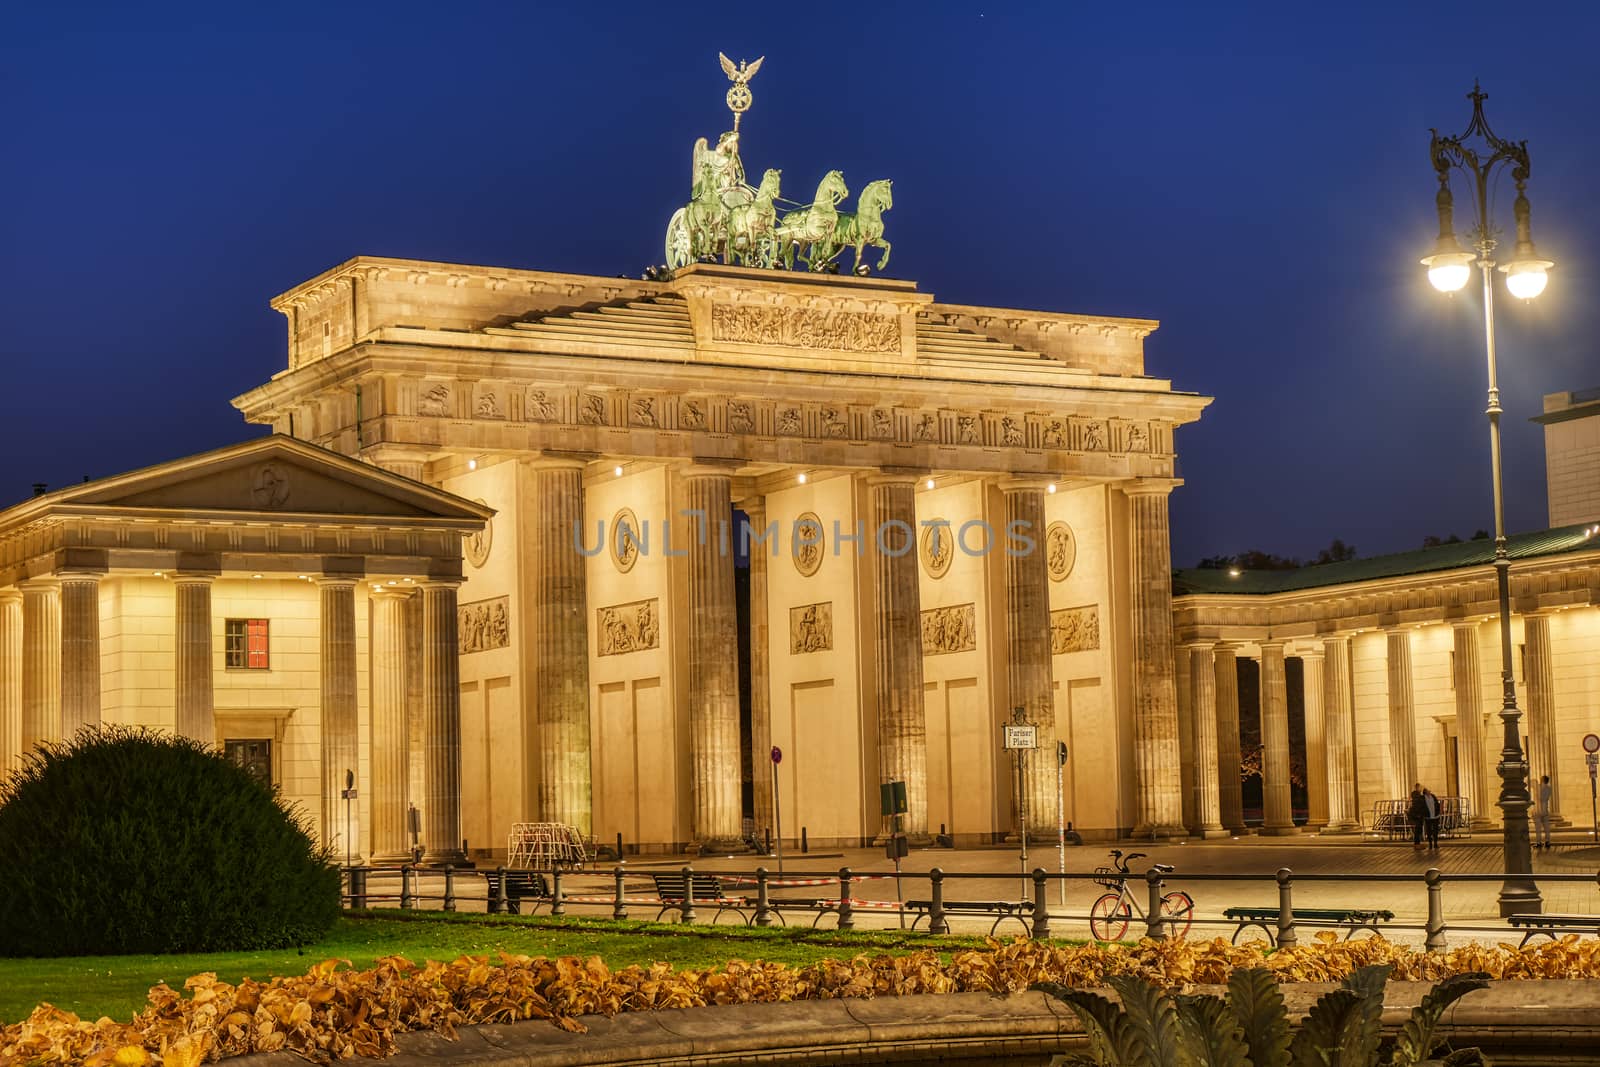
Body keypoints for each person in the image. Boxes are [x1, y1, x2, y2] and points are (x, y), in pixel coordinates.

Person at [1535, 774, 1554, 849]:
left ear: (1542, 780)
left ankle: (1539, 842)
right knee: (1546, 828)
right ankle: (1547, 841)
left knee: (1539, 828)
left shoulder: (1541, 788)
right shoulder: (1549, 788)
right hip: (1545, 810)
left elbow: (1541, 798)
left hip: (1539, 810)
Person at [1407, 785, 1427, 851]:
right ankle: (1417, 844)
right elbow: (1418, 805)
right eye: (1420, 788)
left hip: (1418, 815)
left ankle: (1417, 844)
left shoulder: (1417, 796)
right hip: (1417, 815)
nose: (1421, 789)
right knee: (1417, 830)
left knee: (1418, 830)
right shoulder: (1416, 795)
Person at [1422, 786, 1441, 850]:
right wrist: (1424, 814)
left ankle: (1435, 844)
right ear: (1425, 792)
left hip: (1435, 816)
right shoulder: (1423, 798)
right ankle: (1430, 844)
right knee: (1429, 831)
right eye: (1428, 790)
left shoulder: (1433, 796)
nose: (1429, 791)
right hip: (1428, 817)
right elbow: (1422, 807)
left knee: (1435, 831)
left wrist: (1438, 812)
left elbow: (1437, 804)